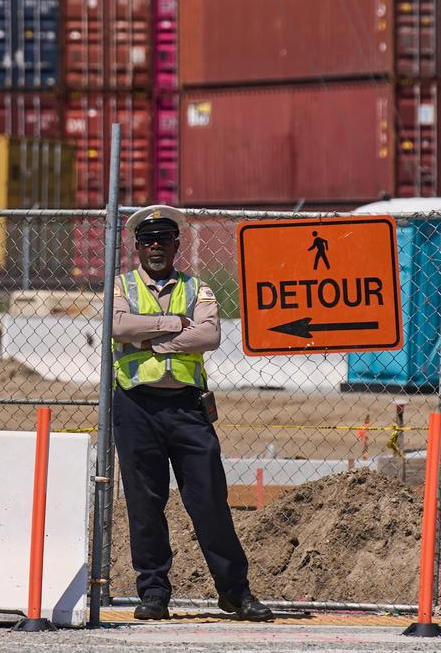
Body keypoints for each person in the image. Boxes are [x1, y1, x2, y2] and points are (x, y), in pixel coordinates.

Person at [111, 205, 273, 622]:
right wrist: (174, 324)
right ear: (136, 247)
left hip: (187, 407)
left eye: (164, 239)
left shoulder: (198, 288)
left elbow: (209, 335)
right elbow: (118, 327)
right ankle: (154, 593)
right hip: (136, 406)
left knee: (209, 501)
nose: (156, 247)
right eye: (148, 240)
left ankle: (235, 593)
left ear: (176, 244)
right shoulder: (121, 286)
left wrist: (151, 340)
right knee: (145, 504)